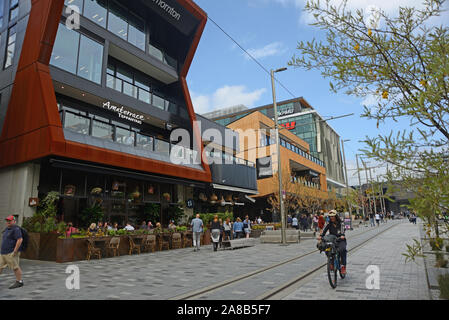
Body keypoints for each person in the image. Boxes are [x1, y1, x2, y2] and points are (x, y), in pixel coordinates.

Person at [317, 210, 347, 275]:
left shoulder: (341, 223)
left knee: (342, 250)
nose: (332, 218)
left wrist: (342, 235)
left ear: (336, 216)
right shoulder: (328, 224)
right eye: (330, 217)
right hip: (332, 240)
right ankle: (331, 263)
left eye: (333, 216)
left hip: (340, 240)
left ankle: (343, 266)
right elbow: (324, 231)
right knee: (327, 249)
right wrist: (321, 236)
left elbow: (342, 230)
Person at [0, 215, 24, 289]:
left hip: (11, 252)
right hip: (3, 252)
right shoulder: (7, 229)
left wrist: (15, 251)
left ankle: (19, 281)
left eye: (10, 220)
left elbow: (20, 239)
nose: (8, 222)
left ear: (14, 221)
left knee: (15, 267)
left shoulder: (16, 229)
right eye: (7, 220)